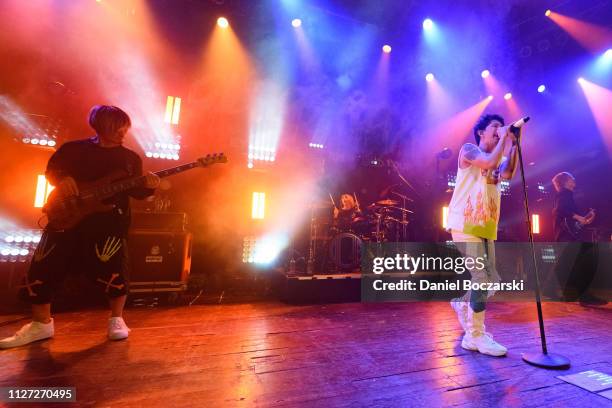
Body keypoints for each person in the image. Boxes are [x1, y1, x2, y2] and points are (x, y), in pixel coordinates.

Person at [0, 105, 160, 349]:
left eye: (125, 127)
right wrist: (63, 180)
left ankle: (117, 320)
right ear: (101, 126)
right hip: (65, 215)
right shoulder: (72, 150)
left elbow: (138, 192)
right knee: (44, 265)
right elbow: (52, 171)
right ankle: (41, 324)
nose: (123, 132)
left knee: (113, 267)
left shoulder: (129, 159)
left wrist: (150, 186)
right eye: (118, 127)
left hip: (108, 222)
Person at [446, 113, 519, 357]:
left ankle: (463, 302)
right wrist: (503, 139)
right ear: (481, 132)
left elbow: (508, 172)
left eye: (501, 126)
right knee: (480, 276)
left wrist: (514, 142)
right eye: (495, 127)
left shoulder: (496, 156)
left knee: (491, 280)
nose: (499, 130)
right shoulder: (469, 150)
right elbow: (487, 162)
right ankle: (474, 335)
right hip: (465, 224)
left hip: (486, 227)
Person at [551, 172, 605, 306]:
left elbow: (571, 217)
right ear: (565, 182)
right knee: (581, 263)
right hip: (567, 236)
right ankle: (583, 296)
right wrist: (577, 217)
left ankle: (569, 294)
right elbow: (559, 210)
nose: (574, 179)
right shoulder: (564, 194)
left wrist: (586, 218)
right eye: (571, 178)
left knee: (570, 265)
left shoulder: (567, 195)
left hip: (567, 236)